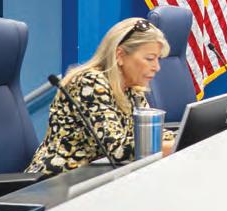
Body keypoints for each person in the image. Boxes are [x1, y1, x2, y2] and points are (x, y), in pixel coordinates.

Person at [26, 18, 173, 176]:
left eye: (158, 59)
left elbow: (155, 134)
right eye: (150, 59)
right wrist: (171, 145)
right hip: (58, 178)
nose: (157, 67)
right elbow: (116, 150)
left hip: (95, 176)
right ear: (120, 55)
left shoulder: (133, 89)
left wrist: (180, 139)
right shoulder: (90, 83)